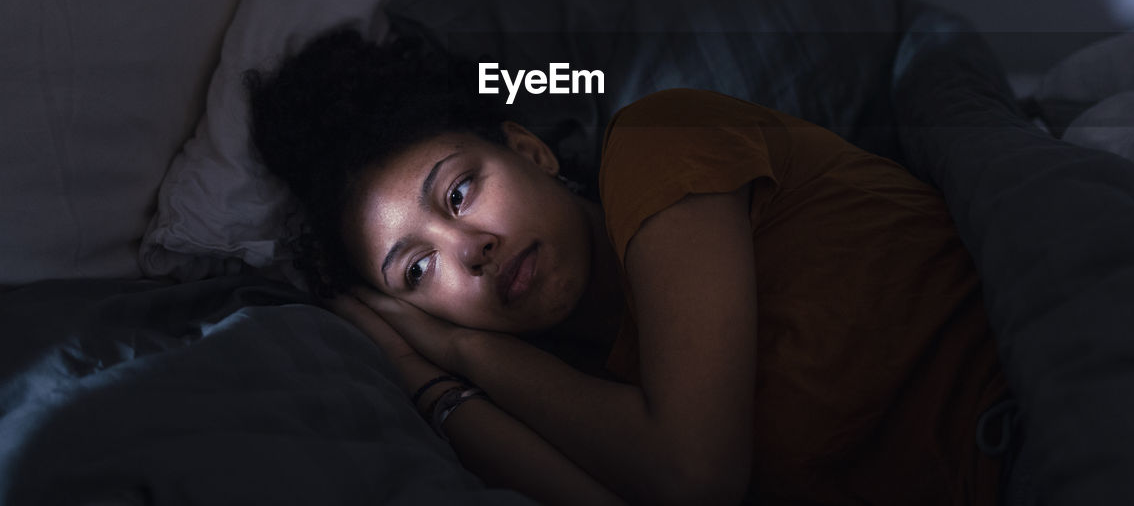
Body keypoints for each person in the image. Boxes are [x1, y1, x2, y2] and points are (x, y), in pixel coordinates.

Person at [247, 28, 1010, 506]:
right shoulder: (576, 389)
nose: (468, 249)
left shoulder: (659, 138)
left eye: (460, 190)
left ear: (530, 150)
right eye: (416, 272)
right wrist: (428, 386)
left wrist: (460, 348)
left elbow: (693, 480)